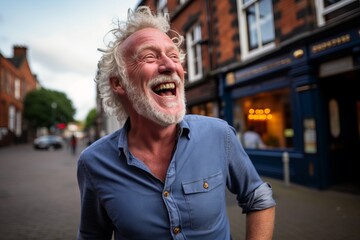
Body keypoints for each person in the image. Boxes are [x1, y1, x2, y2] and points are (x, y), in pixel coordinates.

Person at [77, 6, 275, 240]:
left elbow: (258, 197)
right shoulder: (94, 163)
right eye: (149, 57)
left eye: (173, 56)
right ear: (119, 83)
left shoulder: (219, 134)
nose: (170, 66)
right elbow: (92, 235)